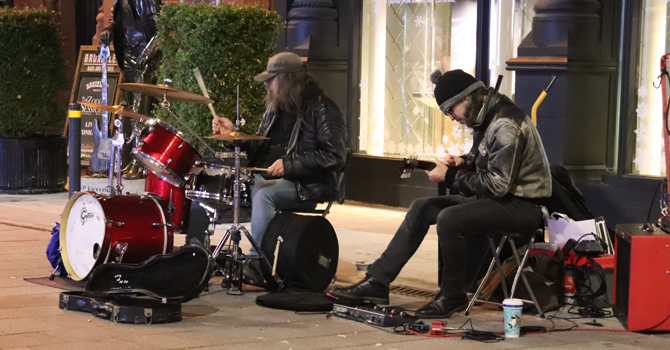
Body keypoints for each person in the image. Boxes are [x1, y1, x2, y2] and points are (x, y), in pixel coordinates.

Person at [329, 69, 552, 318]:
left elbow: (497, 184)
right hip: (502, 199)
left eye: (450, 110)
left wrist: (449, 176)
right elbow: (492, 162)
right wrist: (464, 161)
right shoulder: (486, 115)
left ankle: (452, 295)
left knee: (450, 219)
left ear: (466, 98)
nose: (452, 118)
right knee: (421, 208)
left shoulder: (505, 124)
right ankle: (377, 282)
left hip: (523, 206)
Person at [186, 52, 348, 285]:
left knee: (263, 191)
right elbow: (258, 152)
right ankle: (195, 256)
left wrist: (289, 165)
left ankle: (258, 262)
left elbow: (335, 155)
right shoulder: (276, 109)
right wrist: (234, 136)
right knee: (208, 182)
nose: (266, 85)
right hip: (269, 178)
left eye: (270, 80)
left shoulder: (323, 108)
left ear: (287, 80)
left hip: (307, 185)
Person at [100, 0, 162, 178]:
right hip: (127, 54)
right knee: (128, 111)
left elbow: (161, 29)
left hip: (146, 56)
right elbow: (116, 21)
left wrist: (149, 52)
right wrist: (108, 31)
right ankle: (128, 158)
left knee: (140, 110)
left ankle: (140, 162)